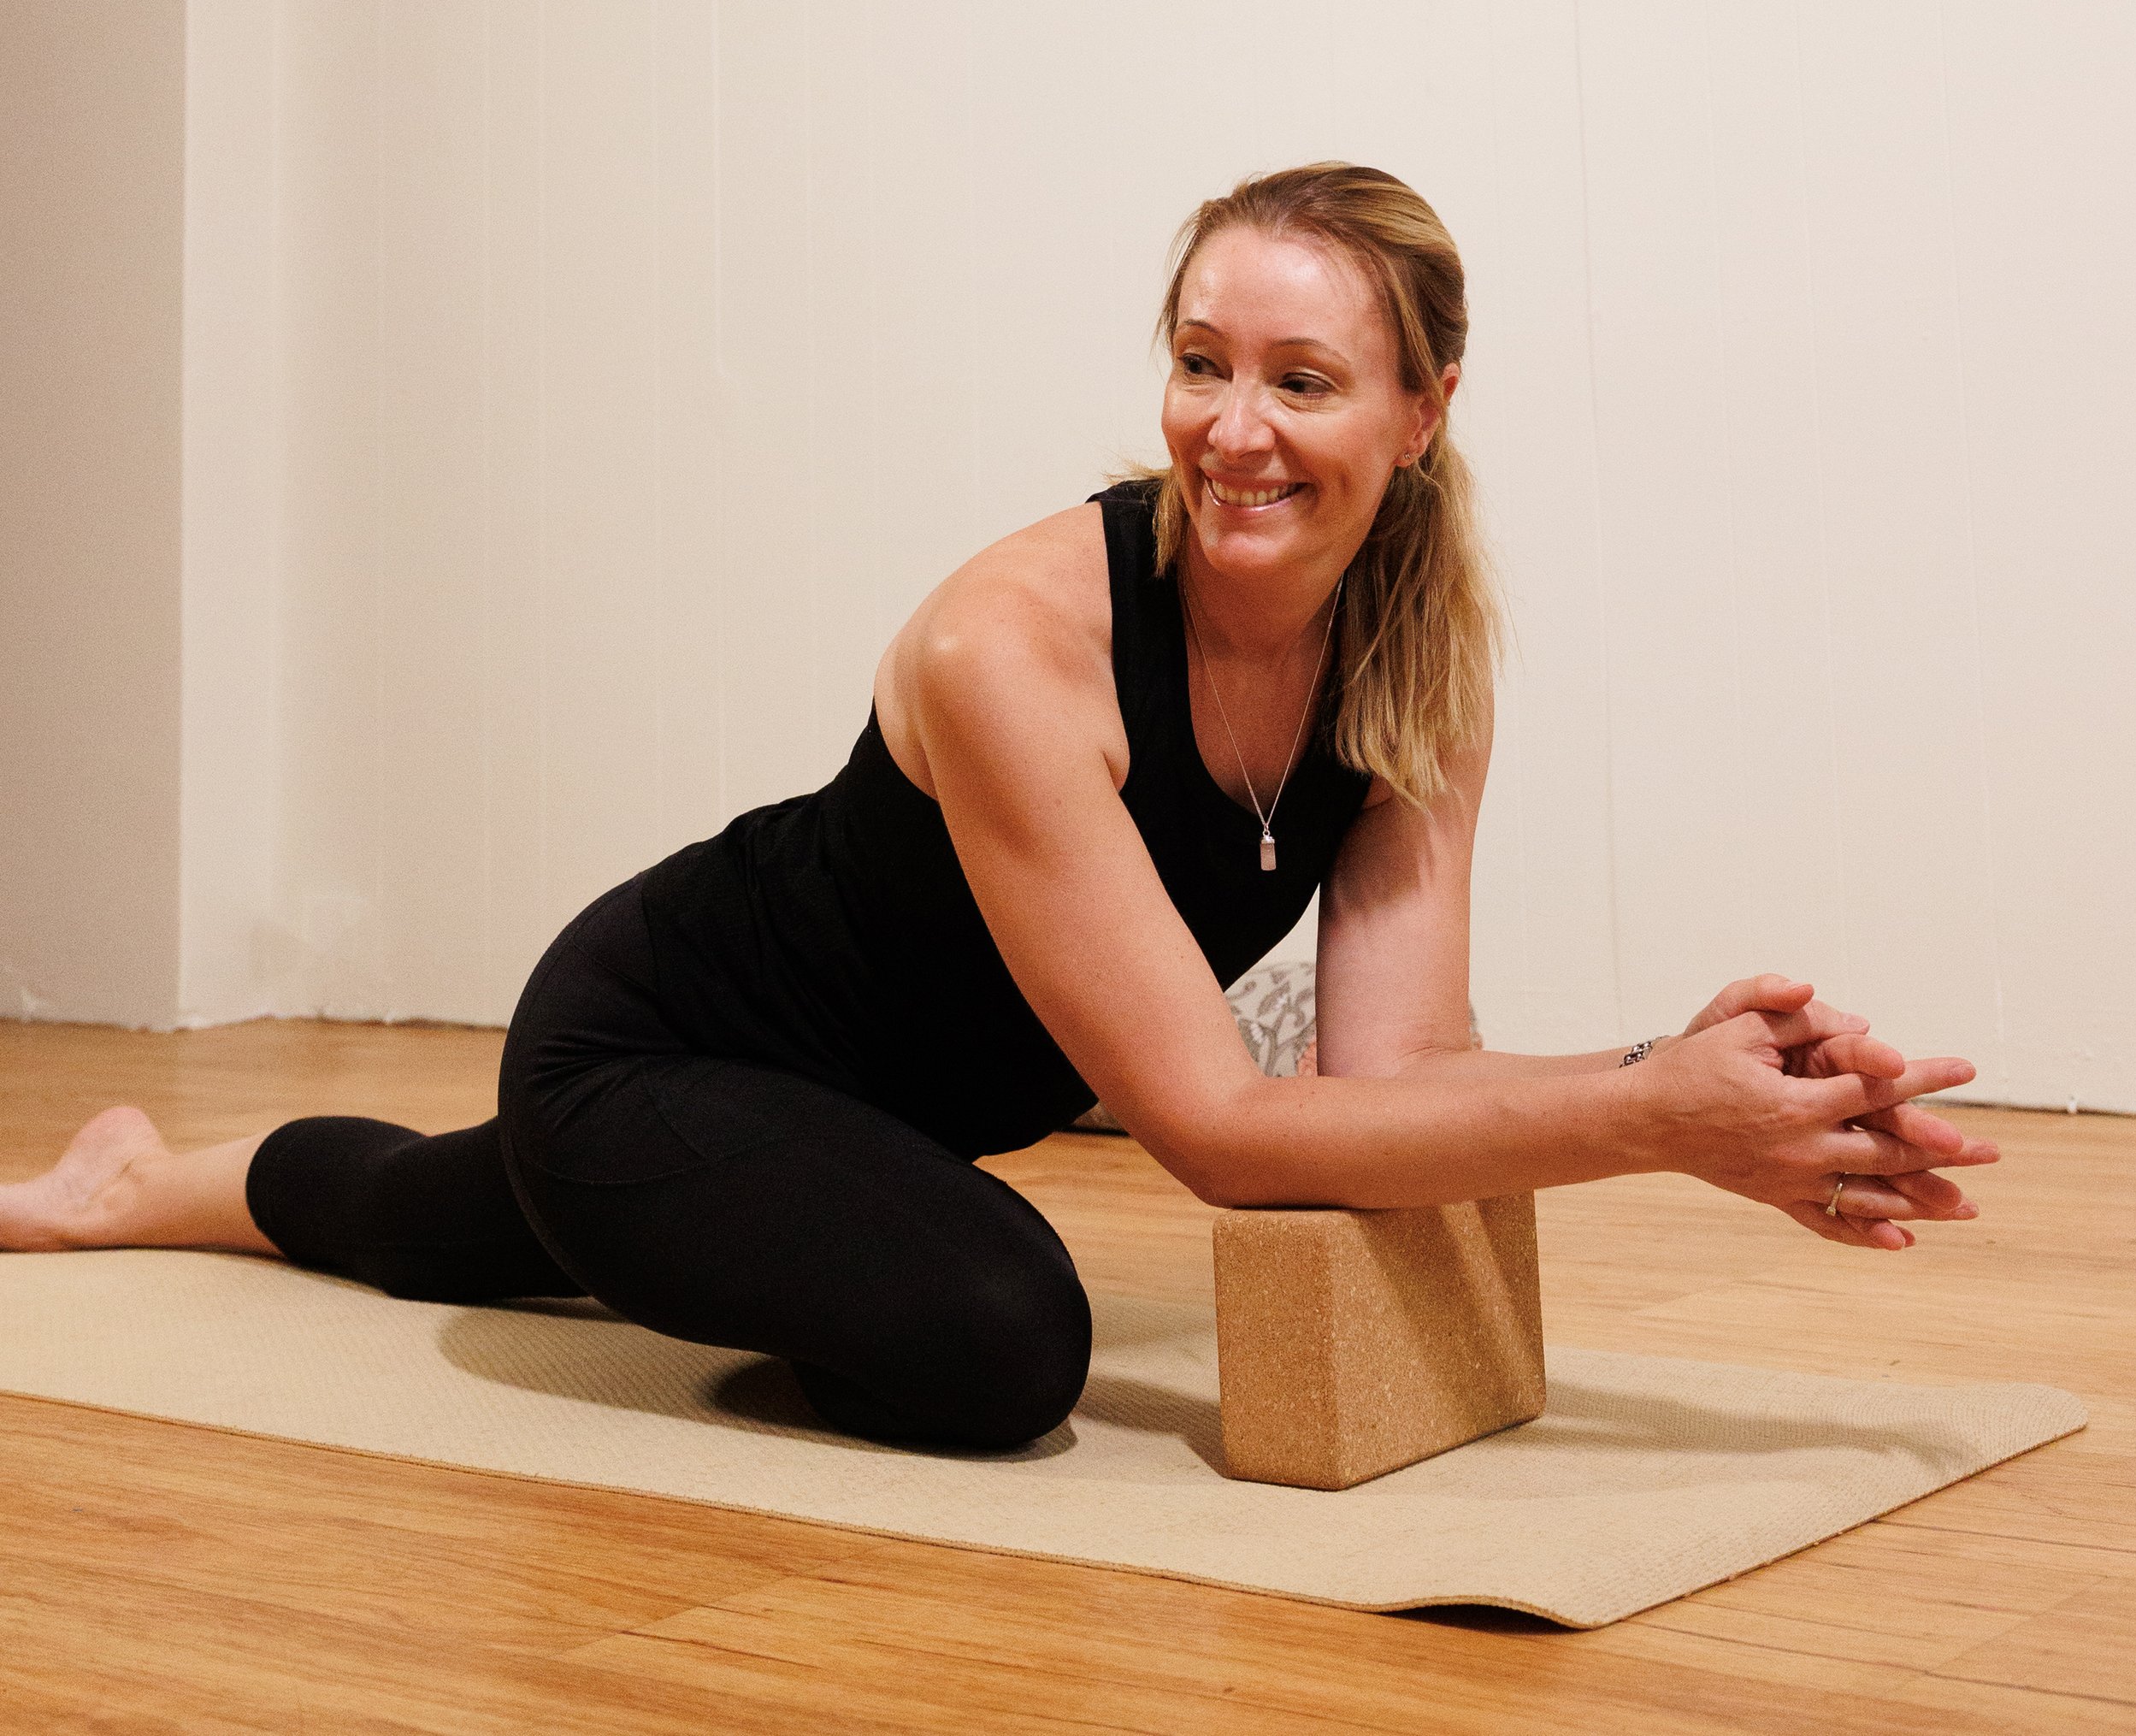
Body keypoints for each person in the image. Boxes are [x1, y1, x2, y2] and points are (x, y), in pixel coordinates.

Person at [0, 163, 1995, 1451]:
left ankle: (140, 1185)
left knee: (466, 1224)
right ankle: (399, 1185)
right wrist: (1657, 1122)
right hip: (661, 1033)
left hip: (854, 1108)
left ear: (1423, 410)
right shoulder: (1008, 644)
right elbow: (1222, 1130)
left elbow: (1395, 1076)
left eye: (1302, 381)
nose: (1233, 428)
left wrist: (1711, 1077)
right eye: (1200, 361)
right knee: (988, 1340)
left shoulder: (1415, 660)